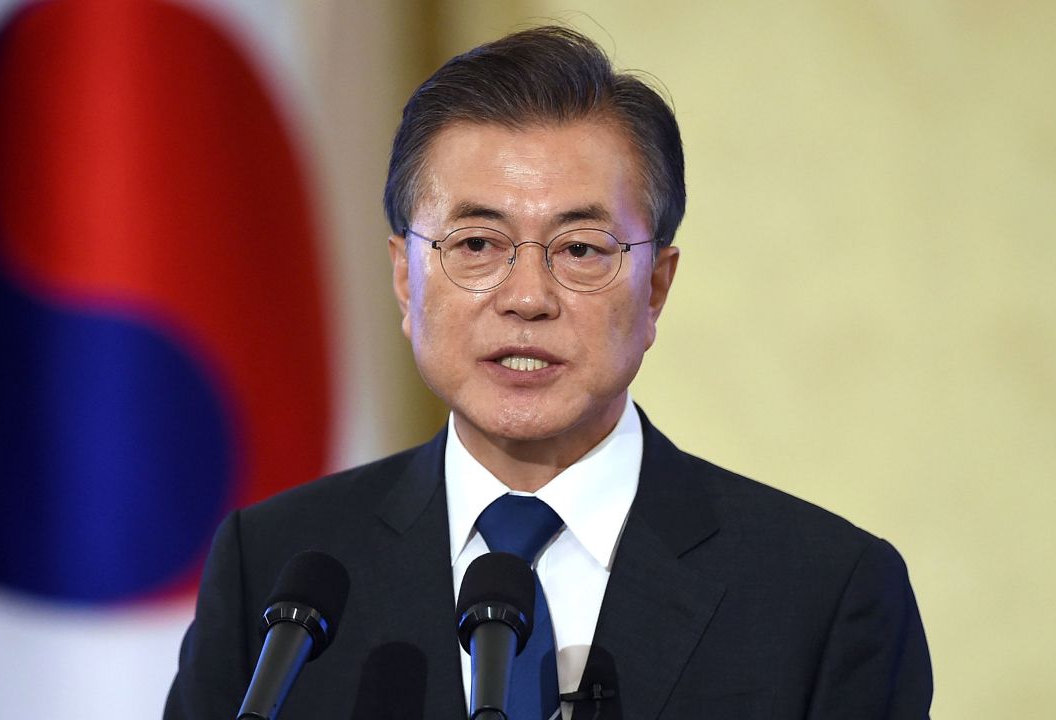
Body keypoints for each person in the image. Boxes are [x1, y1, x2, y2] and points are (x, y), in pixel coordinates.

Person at [164, 26, 932, 720]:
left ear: (656, 287)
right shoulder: (274, 572)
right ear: (405, 279)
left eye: (581, 250)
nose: (527, 297)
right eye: (475, 244)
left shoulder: (823, 594)